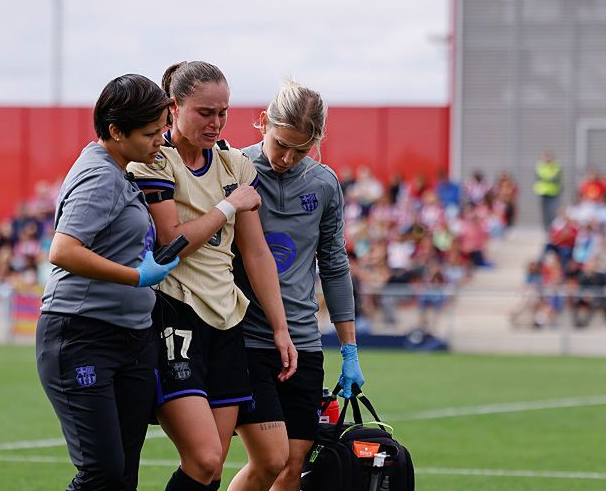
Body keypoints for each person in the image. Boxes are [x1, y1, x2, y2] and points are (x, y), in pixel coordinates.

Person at [128, 61, 297, 491]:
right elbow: (170, 242)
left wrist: (281, 329)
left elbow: (256, 253)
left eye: (223, 112)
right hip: (175, 314)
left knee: (212, 468)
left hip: (226, 321)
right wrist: (228, 206)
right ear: (174, 107)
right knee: (203, 459)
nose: (216, 123)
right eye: (205, 112)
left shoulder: (234, 165)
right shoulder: (154, 160)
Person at [35, 74, 180, 491]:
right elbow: (63, 250)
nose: (159, 141)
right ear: (116, 131)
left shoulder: (121, 170)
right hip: (83, 336)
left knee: (123, 478)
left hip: (131, 338)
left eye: (162, 130)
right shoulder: (99, 175)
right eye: (150, 133)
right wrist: (136, 277)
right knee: (103, 473)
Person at [229, 81, 364, 491]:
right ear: (264, 122)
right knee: (269, 460)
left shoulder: (324, 184)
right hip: (246, 340)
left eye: (301, 150)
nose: (287, 158)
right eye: (282, 144)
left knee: (292, 467)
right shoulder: (232, 169)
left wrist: (350, 350)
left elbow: (334, 265)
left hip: (304, 343)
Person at [534, 150, 563, 232]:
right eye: (545, 156)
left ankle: (554, 229)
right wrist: (549, 177)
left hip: (554, 193)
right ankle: (546, 230)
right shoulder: (540, 165)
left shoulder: (556, 166)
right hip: (543, 192)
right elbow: (542, 175)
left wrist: (549, 177)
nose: (547, 158)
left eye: (548, 156)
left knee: (554, 212)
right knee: (545, 213)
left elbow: (556, 176)